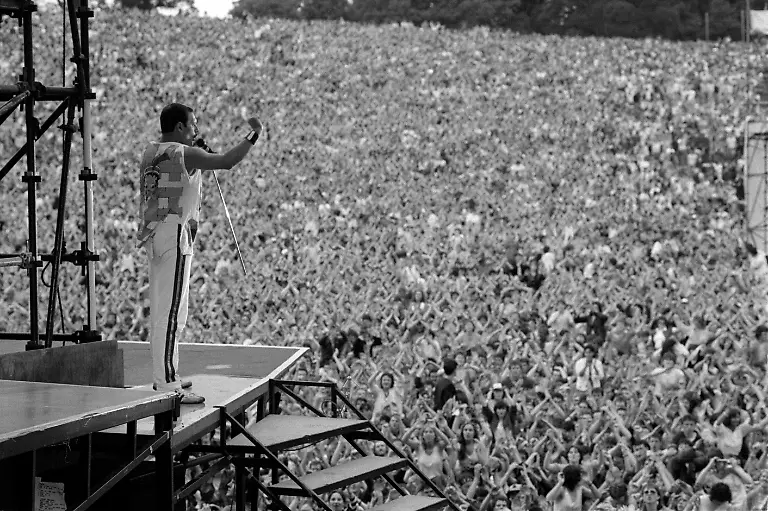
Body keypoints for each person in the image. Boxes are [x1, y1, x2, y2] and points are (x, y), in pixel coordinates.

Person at [138, 102, 262, 403]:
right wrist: (253, 134)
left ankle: (168, 375)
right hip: (174, 234)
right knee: (170, 313)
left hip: (156, 234)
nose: (196, 130)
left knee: (167, 308)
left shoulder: (151, 151)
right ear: (180, 126)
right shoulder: (186, 153)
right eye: (193, 125)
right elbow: (228, 161)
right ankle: (167, 384)